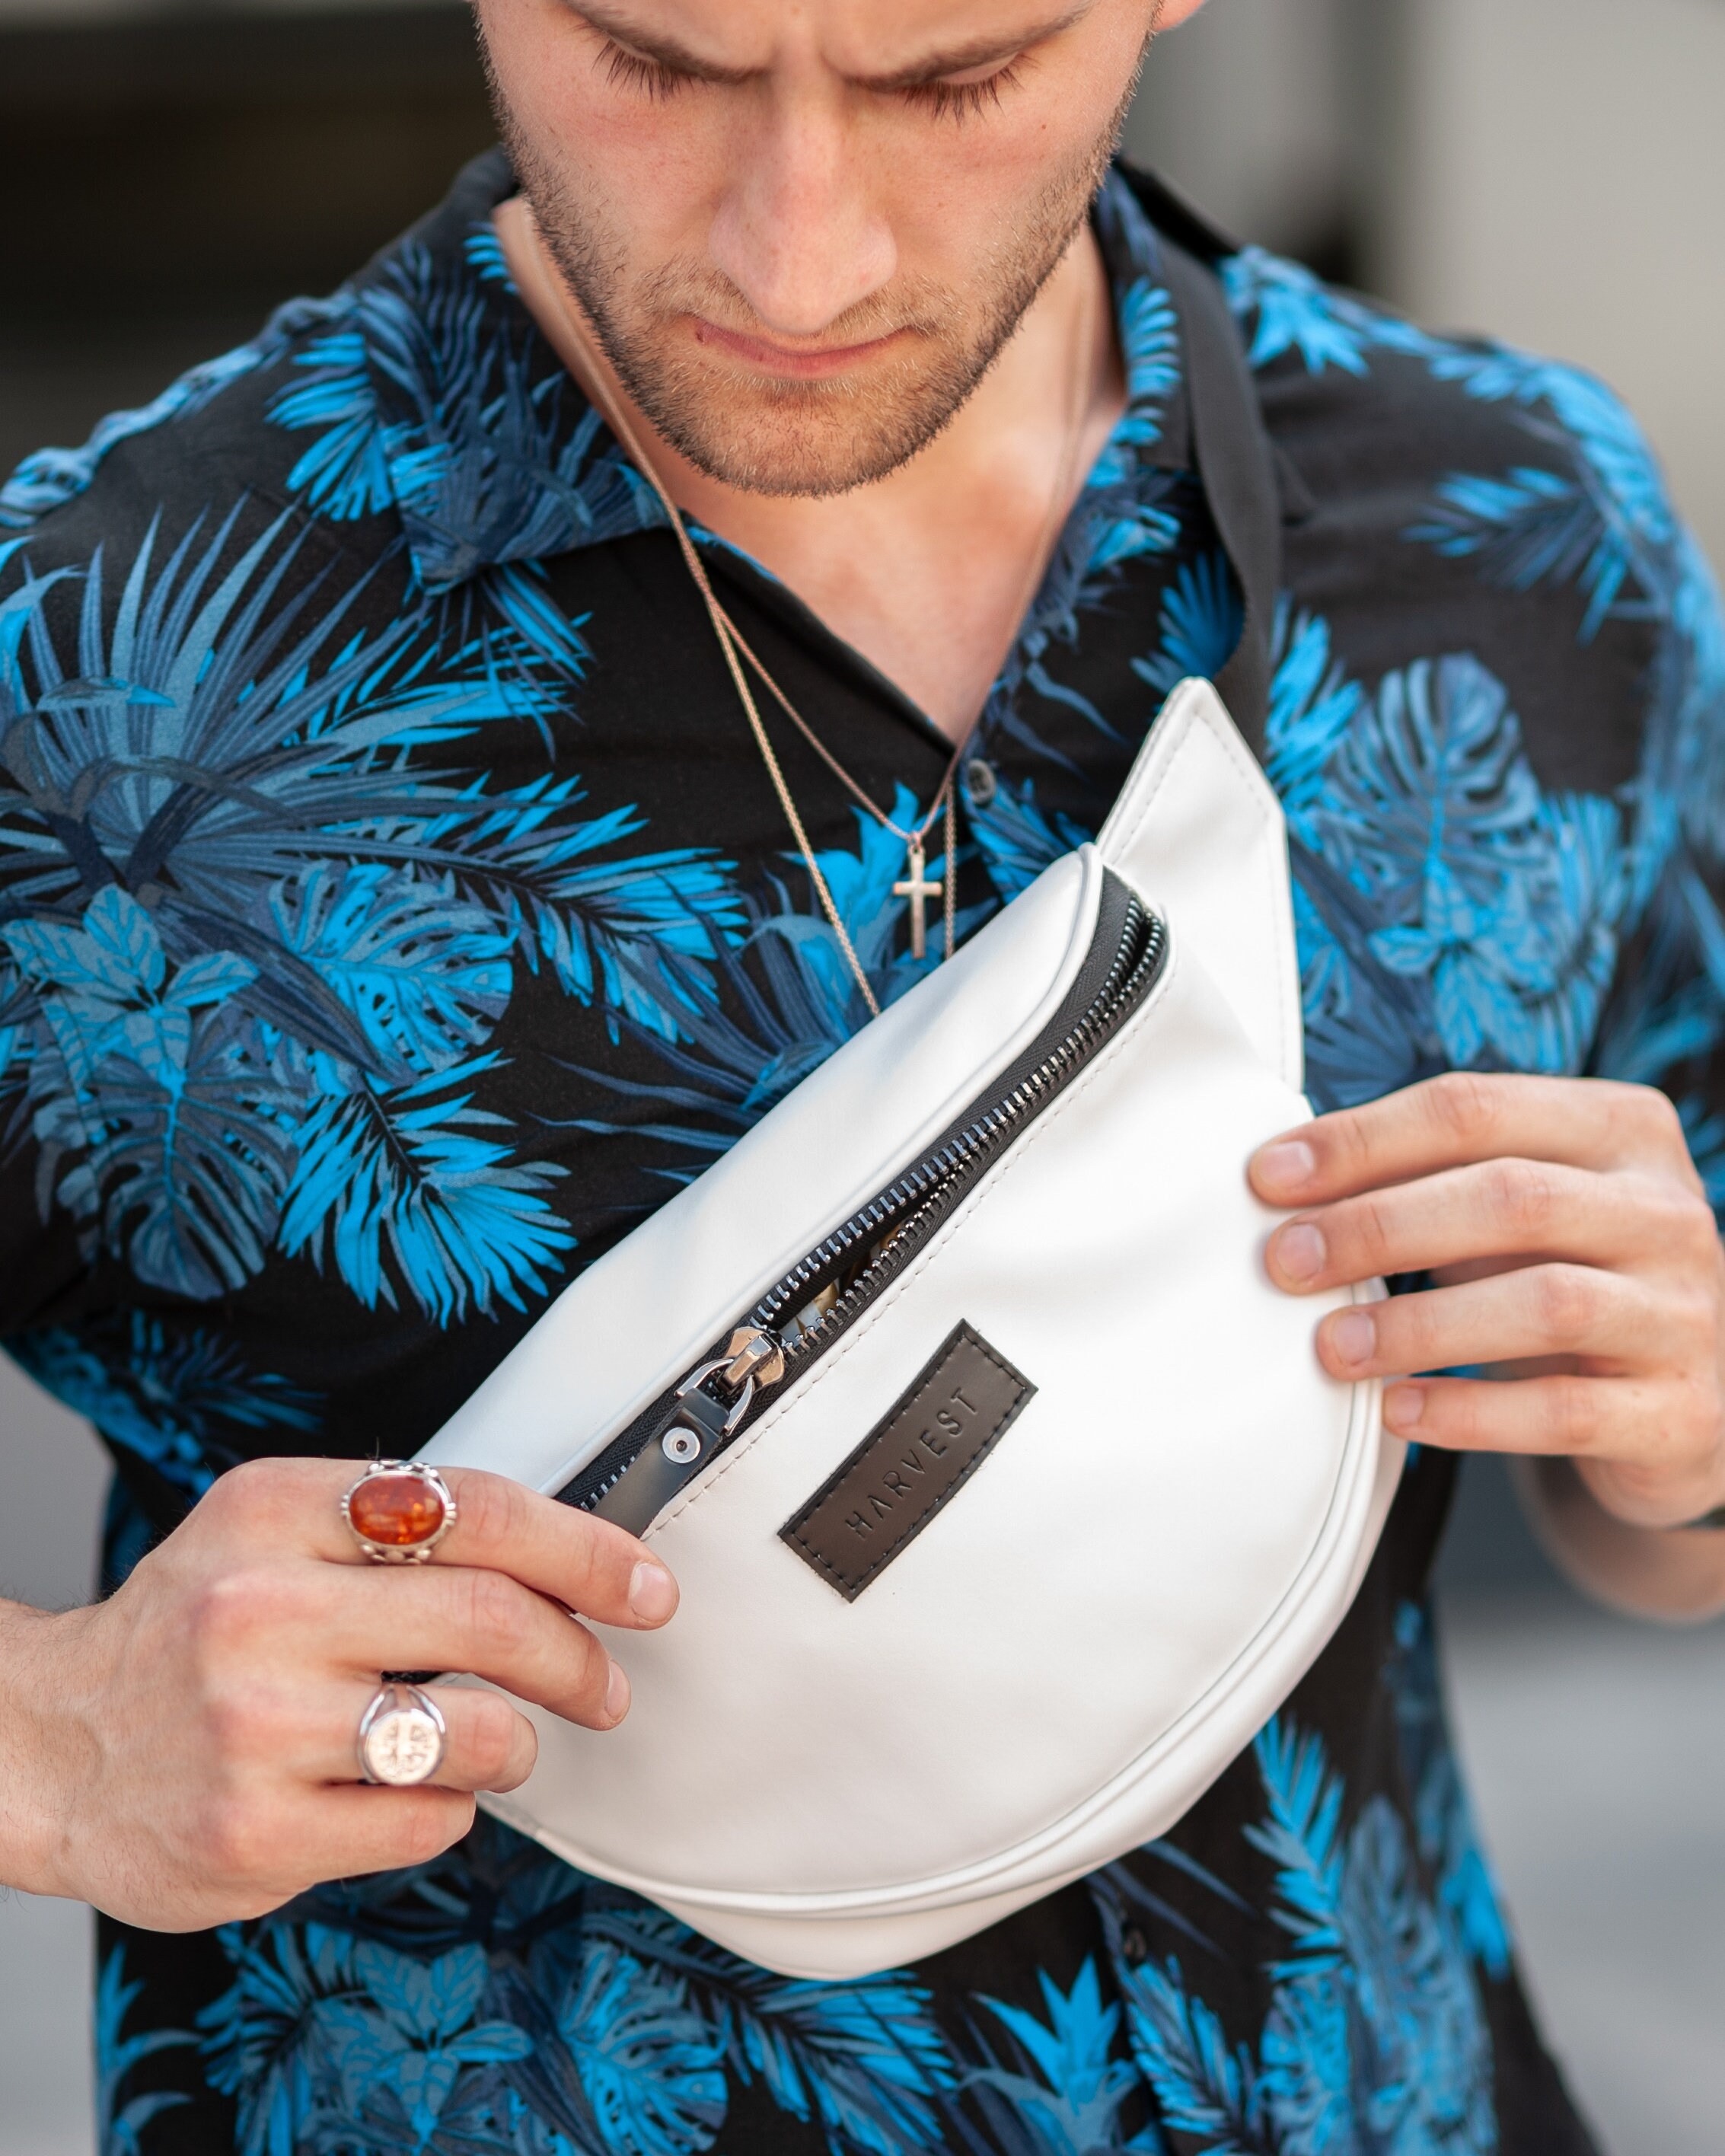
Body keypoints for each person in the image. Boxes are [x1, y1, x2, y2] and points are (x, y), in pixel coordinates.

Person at [2, 0, 1722, 2145]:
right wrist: (57, 1742)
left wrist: (1685, 1429)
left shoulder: (1517, 539)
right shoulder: (83, 683)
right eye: (653, 60)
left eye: (953, 78)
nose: (794, 259)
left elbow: (1661, 1503)